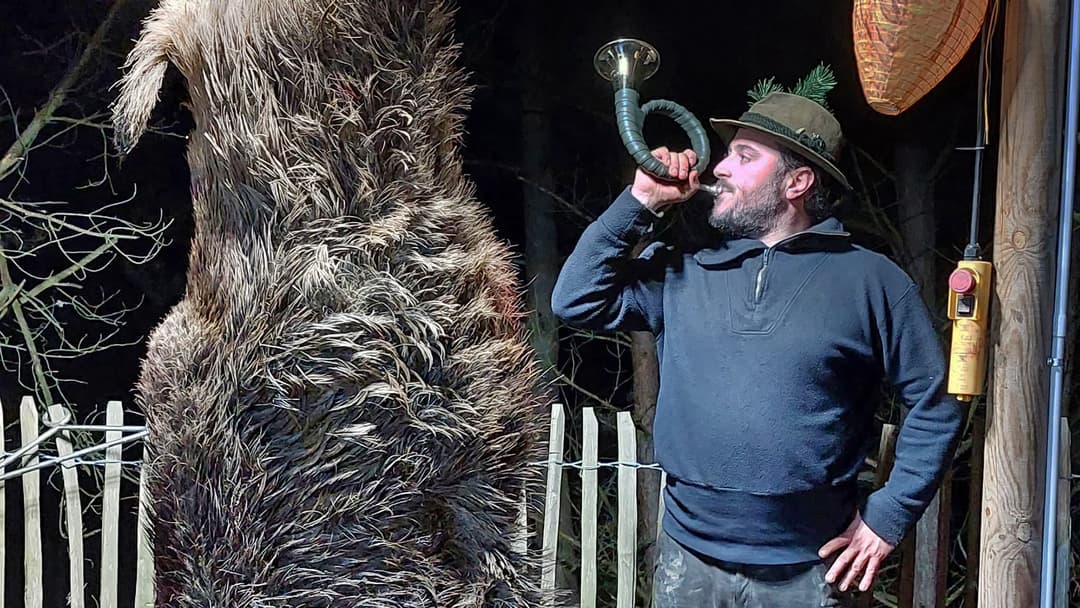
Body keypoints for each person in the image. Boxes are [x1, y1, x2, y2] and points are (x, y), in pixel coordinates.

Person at [551, 89, 965, 607]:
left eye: (744, 157)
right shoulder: (684, 269)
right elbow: (575, 299)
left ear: (797, 182)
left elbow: (936, 401)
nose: (720, 168)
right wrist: (640, 202)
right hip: (689, 558)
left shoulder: (871, 281)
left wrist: (889, 516)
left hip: (811, 566)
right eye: (728, 154)